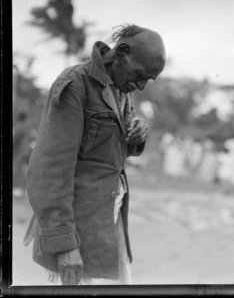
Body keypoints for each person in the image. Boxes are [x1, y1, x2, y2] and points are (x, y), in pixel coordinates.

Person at [23, 24, 166, 285]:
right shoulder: (75, 84)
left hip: (108, 222)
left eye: (148, 80)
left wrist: (136, 135)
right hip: (78, 229)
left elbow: (101, 148)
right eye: (140, 75)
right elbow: (48, 171)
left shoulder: (121, 87)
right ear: (122, 52)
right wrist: (64, 245)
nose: (142, 86)